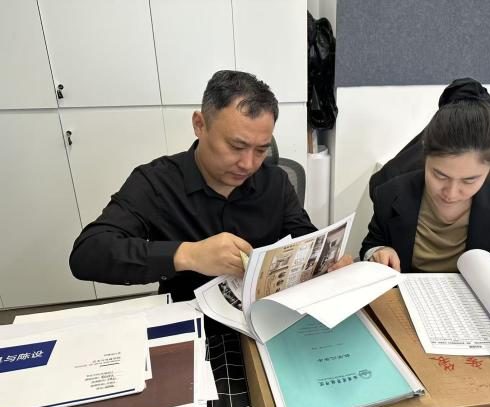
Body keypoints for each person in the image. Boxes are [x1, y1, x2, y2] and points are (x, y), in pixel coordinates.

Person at [70, 70, 349, 333]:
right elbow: (88, 254)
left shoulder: (275, 182)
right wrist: (188, 255)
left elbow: (303, 237)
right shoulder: (155, 183)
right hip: (190, 323)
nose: (248, 164)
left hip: (264, 321)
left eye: (261, 150)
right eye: (236, 146)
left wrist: (328, 264)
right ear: (199, 125)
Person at [369, 78, 490, 285]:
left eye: (470, 180)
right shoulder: (391, 193)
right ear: (424, 155)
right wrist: (379, 251)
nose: (451, 193)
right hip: (409, 299)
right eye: (440, 175)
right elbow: (372, 244)